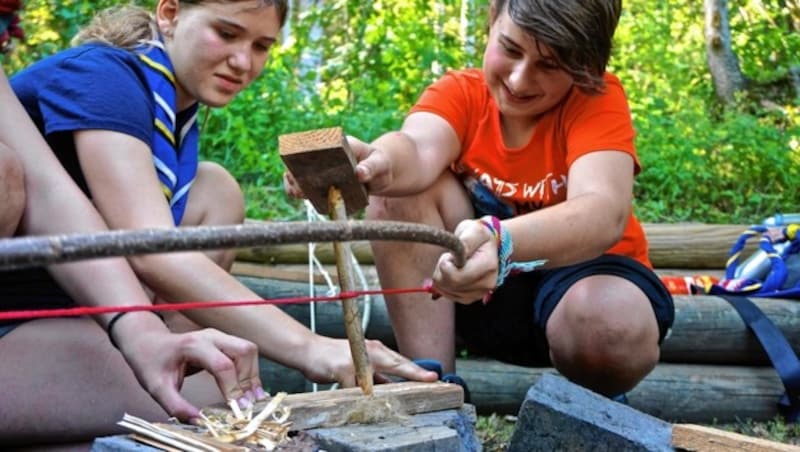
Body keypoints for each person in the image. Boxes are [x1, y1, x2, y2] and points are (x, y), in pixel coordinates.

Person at [3, 0, 436, 444]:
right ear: (169, 14)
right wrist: (312, 347)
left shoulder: (173, 110)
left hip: (89, 313)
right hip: (21, 316)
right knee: (209, 403)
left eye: (262, 45)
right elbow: (150, 250)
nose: (243, 61)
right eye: (226, 34)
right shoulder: (104, 77)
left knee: (216, 190)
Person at [286, 0, 674, 398]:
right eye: (510, 49)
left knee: (608, 326)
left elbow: (602, 211)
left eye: (550, 65)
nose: (520, 80)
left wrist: (501, 241)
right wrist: (376, 163)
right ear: (492, 20)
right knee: (398, 194)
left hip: (586, 282)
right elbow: (417, 150)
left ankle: (599, 407)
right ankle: (434, 391)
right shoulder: (460, 94)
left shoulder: (596, 101)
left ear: (586, 66)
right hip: (468, 290)